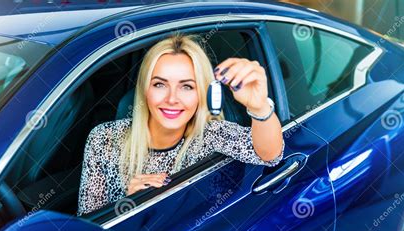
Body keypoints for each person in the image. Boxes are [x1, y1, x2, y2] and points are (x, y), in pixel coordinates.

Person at [77, 34, 284, 216]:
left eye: (186, 86)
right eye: (160, 84)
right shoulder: (104, 138)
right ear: (144, 90)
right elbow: (86, 228)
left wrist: (258, 107)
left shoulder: (210, 135)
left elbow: (270, 155)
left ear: (201, 93)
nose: (172, 98)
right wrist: (127, 205)